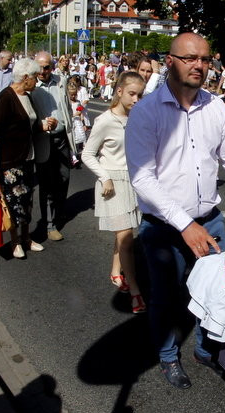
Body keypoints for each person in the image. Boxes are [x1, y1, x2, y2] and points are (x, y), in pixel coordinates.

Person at [126, 32, 225, 390]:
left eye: (205, 59)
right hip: (164, 228)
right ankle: (167, 356)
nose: (200, 66)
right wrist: (184, 224)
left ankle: (206, 350)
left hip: (211, 221)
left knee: (217, 293)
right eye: (191, 58)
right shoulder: (147, 112)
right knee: (167, 297)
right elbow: (143, 179)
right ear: (171, 61)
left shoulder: (216, 107)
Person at [82, 71, 147, 314]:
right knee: (127, 237)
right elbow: (87, 154)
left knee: (124, 234)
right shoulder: (104, 120)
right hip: (112, 183)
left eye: (140, 95)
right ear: (119, 91)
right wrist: (105, 176)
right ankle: (136, 293)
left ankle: (114, 272)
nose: (136, 99)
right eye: (132, 94)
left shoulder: (136, 118)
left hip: (131, 182)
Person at [0, 58, 49, 259]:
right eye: (34, 77)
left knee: (27, 200)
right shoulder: (6, 97)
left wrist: (44, 126)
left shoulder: (27, 96)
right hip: (9, 161)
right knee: (13, 202)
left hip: (27, 157)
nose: (37, 81)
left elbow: (29, 126)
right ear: (25, 77)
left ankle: (26, 237)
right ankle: (15, 242)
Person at [32, 51, 76, 242]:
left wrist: (68, 126)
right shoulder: (31, 86)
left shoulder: (60, 81)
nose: (43, 72)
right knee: (47, 185)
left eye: (47, 67)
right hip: (44, 140)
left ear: (52, 66)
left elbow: (66, 106)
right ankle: (49, 224)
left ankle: (58, 213)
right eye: (39, 68)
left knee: (64, 179)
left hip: (62, 139)